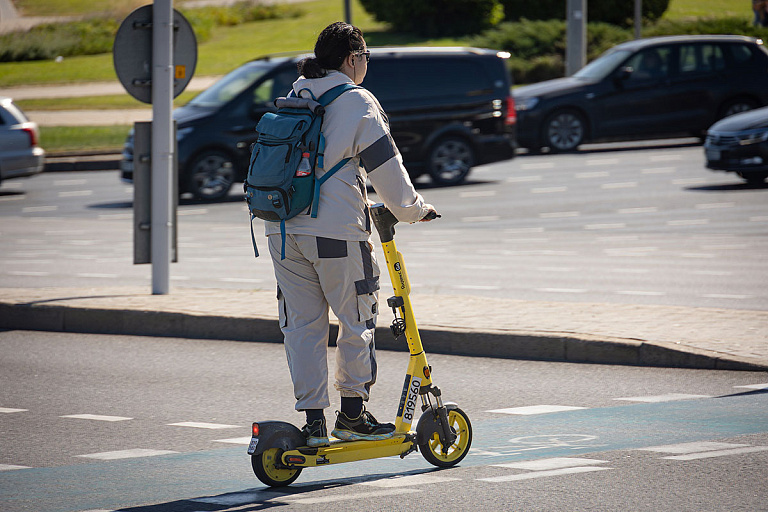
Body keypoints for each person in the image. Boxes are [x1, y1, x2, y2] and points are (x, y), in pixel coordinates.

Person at [265, 21, 436, 447]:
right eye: (365, 57)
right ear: (351, 58)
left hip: (281, 228)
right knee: (357, 318)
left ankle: (313, 424)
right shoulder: (357, 101)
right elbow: (388, 174)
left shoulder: (298, 92)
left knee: (302, 326)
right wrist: (414, 212)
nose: (365, 65)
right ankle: (353, 415)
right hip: (336, 232)